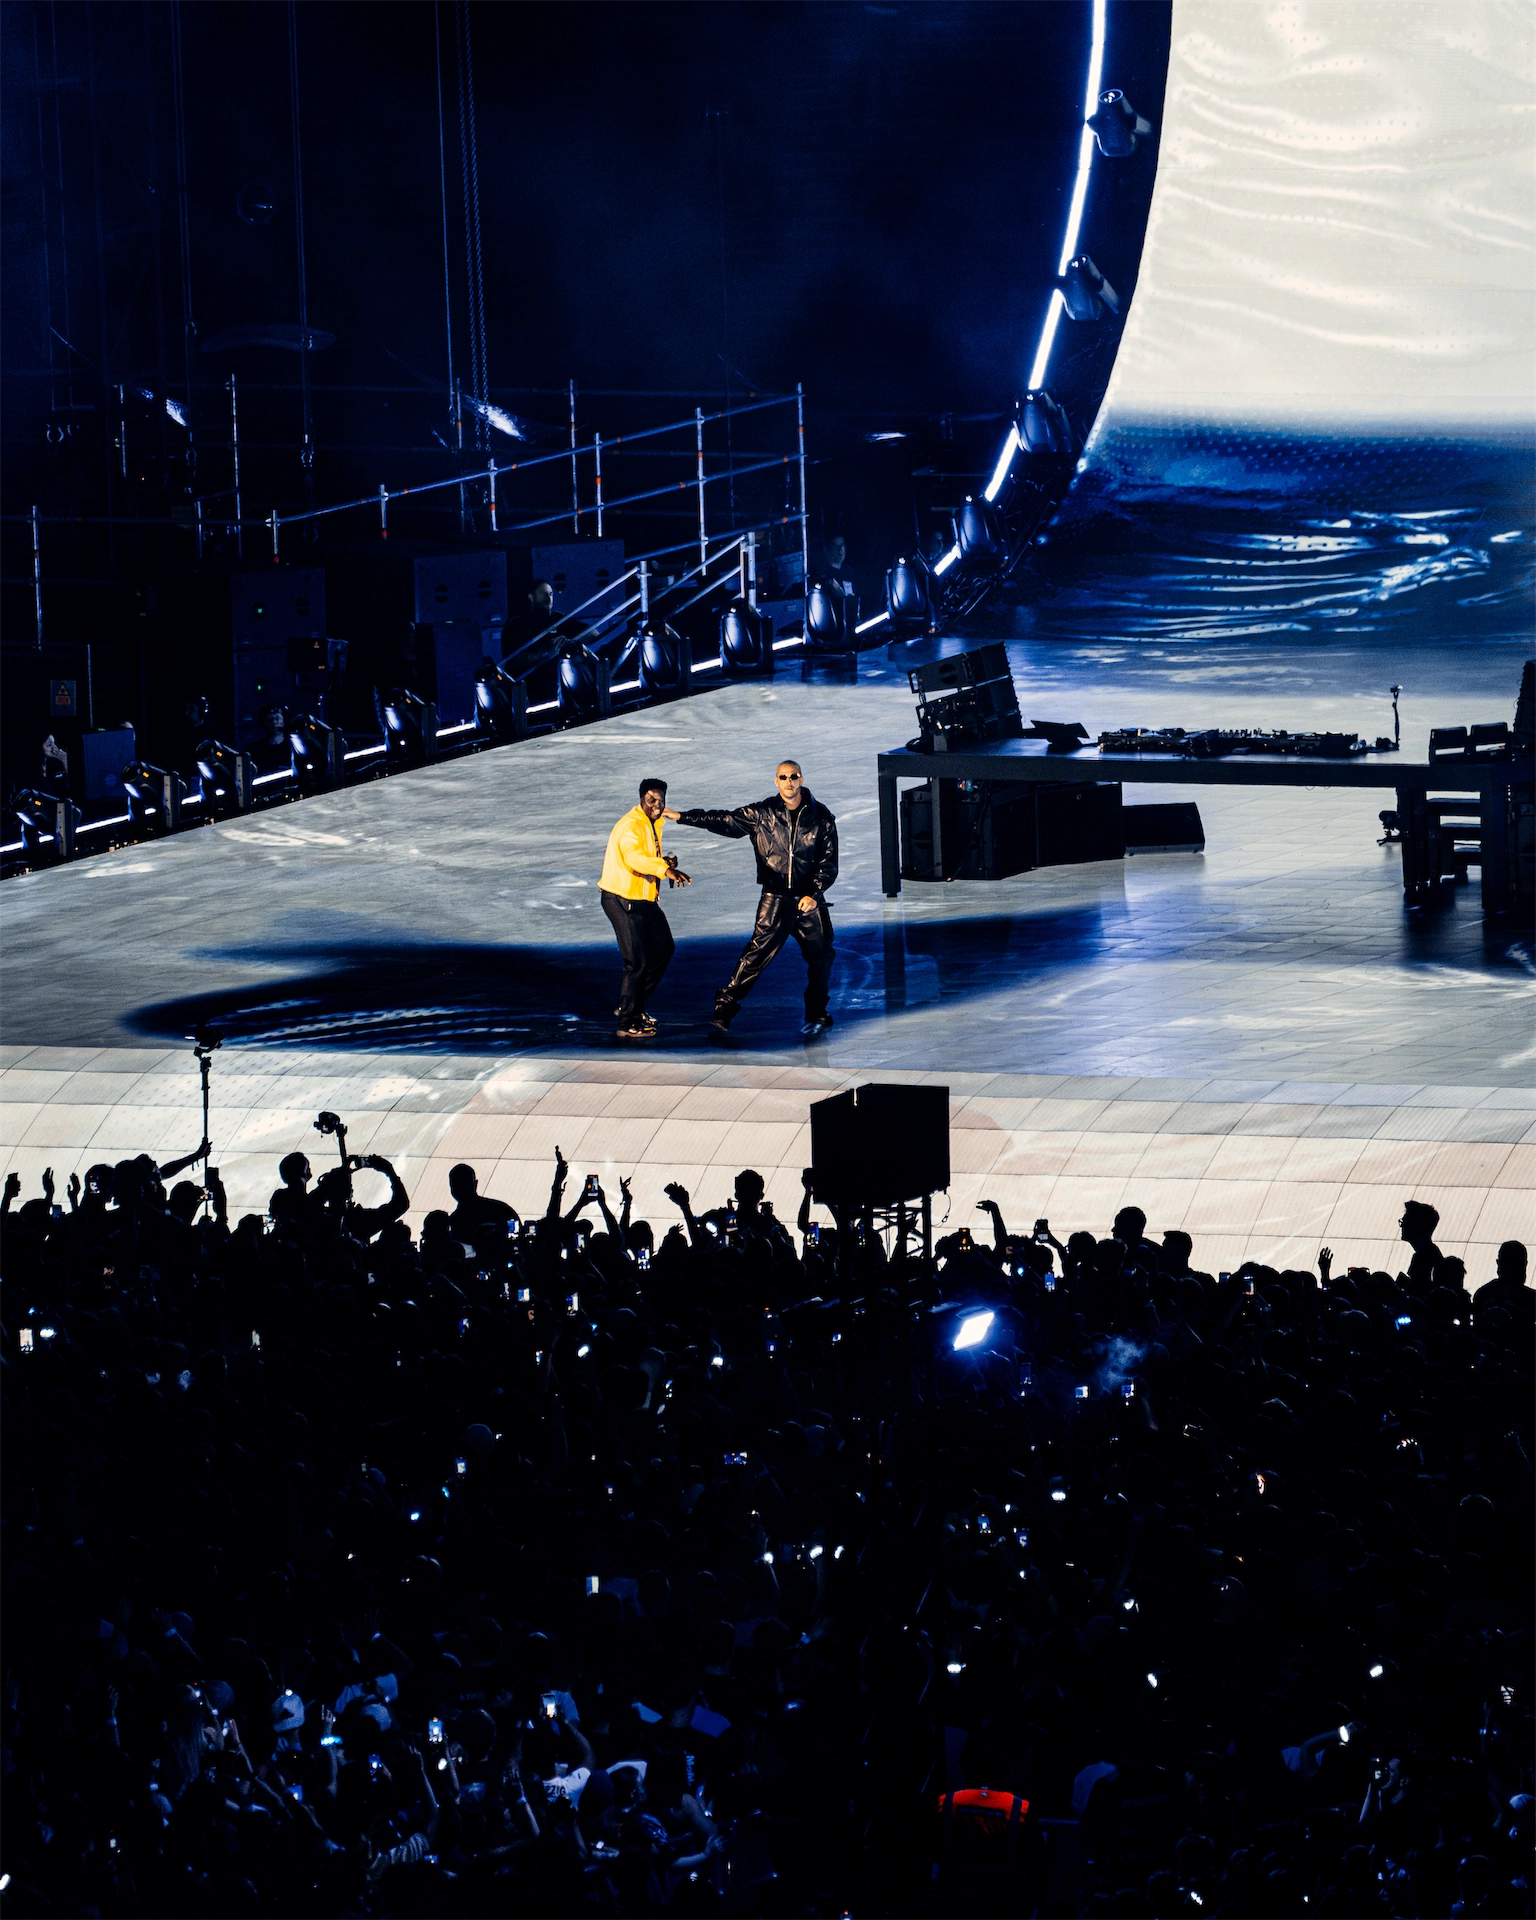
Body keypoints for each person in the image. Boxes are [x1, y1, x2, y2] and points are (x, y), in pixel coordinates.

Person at [670, 759, 837, 1038]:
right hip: (775, 899)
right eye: (783, 777)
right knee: (755, 955)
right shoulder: (763, 813)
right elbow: (723, 820)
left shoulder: (821, 817)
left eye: (793, 776)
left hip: (807, 902)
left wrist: (814, 893)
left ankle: (817, 1010)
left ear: (802, 779)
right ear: (776, 782)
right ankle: (725, 1005)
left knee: (822, 957)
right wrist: (683, 817)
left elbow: (829, 861)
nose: (788, 782)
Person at [599, 777, 691, 1040]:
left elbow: (646, 854)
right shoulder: (631, 825)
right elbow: (634, 857)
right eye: (651, 800)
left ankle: (633, 1005)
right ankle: (627, 1022)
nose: (657, 805)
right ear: (641, 799)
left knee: (664, 949)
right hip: (622, 899)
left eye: (661, 801)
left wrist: (663, 861)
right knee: (636, 962)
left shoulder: (653, 822)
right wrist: (665, 869)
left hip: (643, 899)